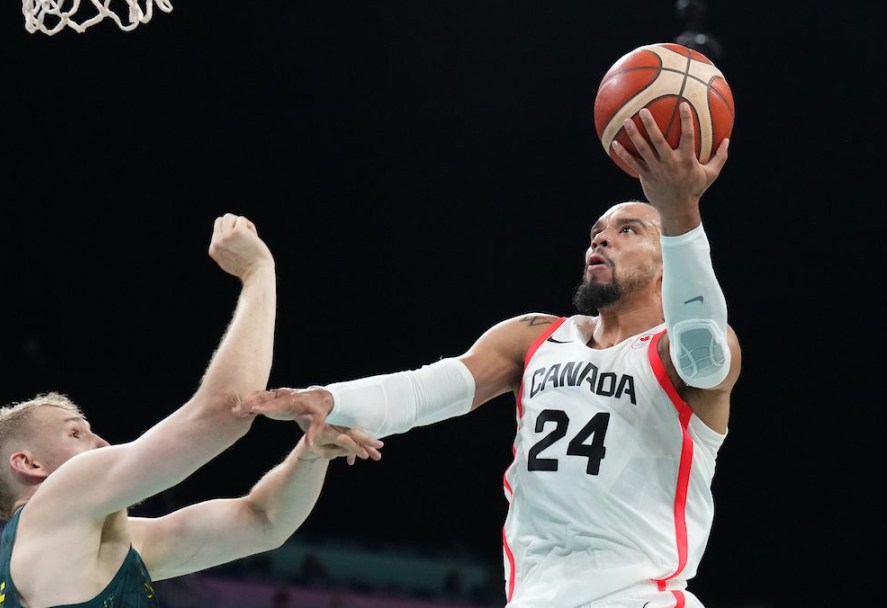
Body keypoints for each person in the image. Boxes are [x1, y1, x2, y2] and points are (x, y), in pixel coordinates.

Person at [236, 103, 742, 608]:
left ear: (665, 265)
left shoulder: (683, 352)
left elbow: (704, 354)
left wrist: (681, 213)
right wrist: (329, 398)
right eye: (597, 231)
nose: (603, 237)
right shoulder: (534, 337)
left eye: (629, 230)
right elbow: (426, 390)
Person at [0, 213, 384, 607]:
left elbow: (264, 521)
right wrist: (258, 274)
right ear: (28, 463)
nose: (102, 440)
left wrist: (311, 453)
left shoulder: (114, 546)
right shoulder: (57, 500)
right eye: (75, 433)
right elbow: (223, 414)